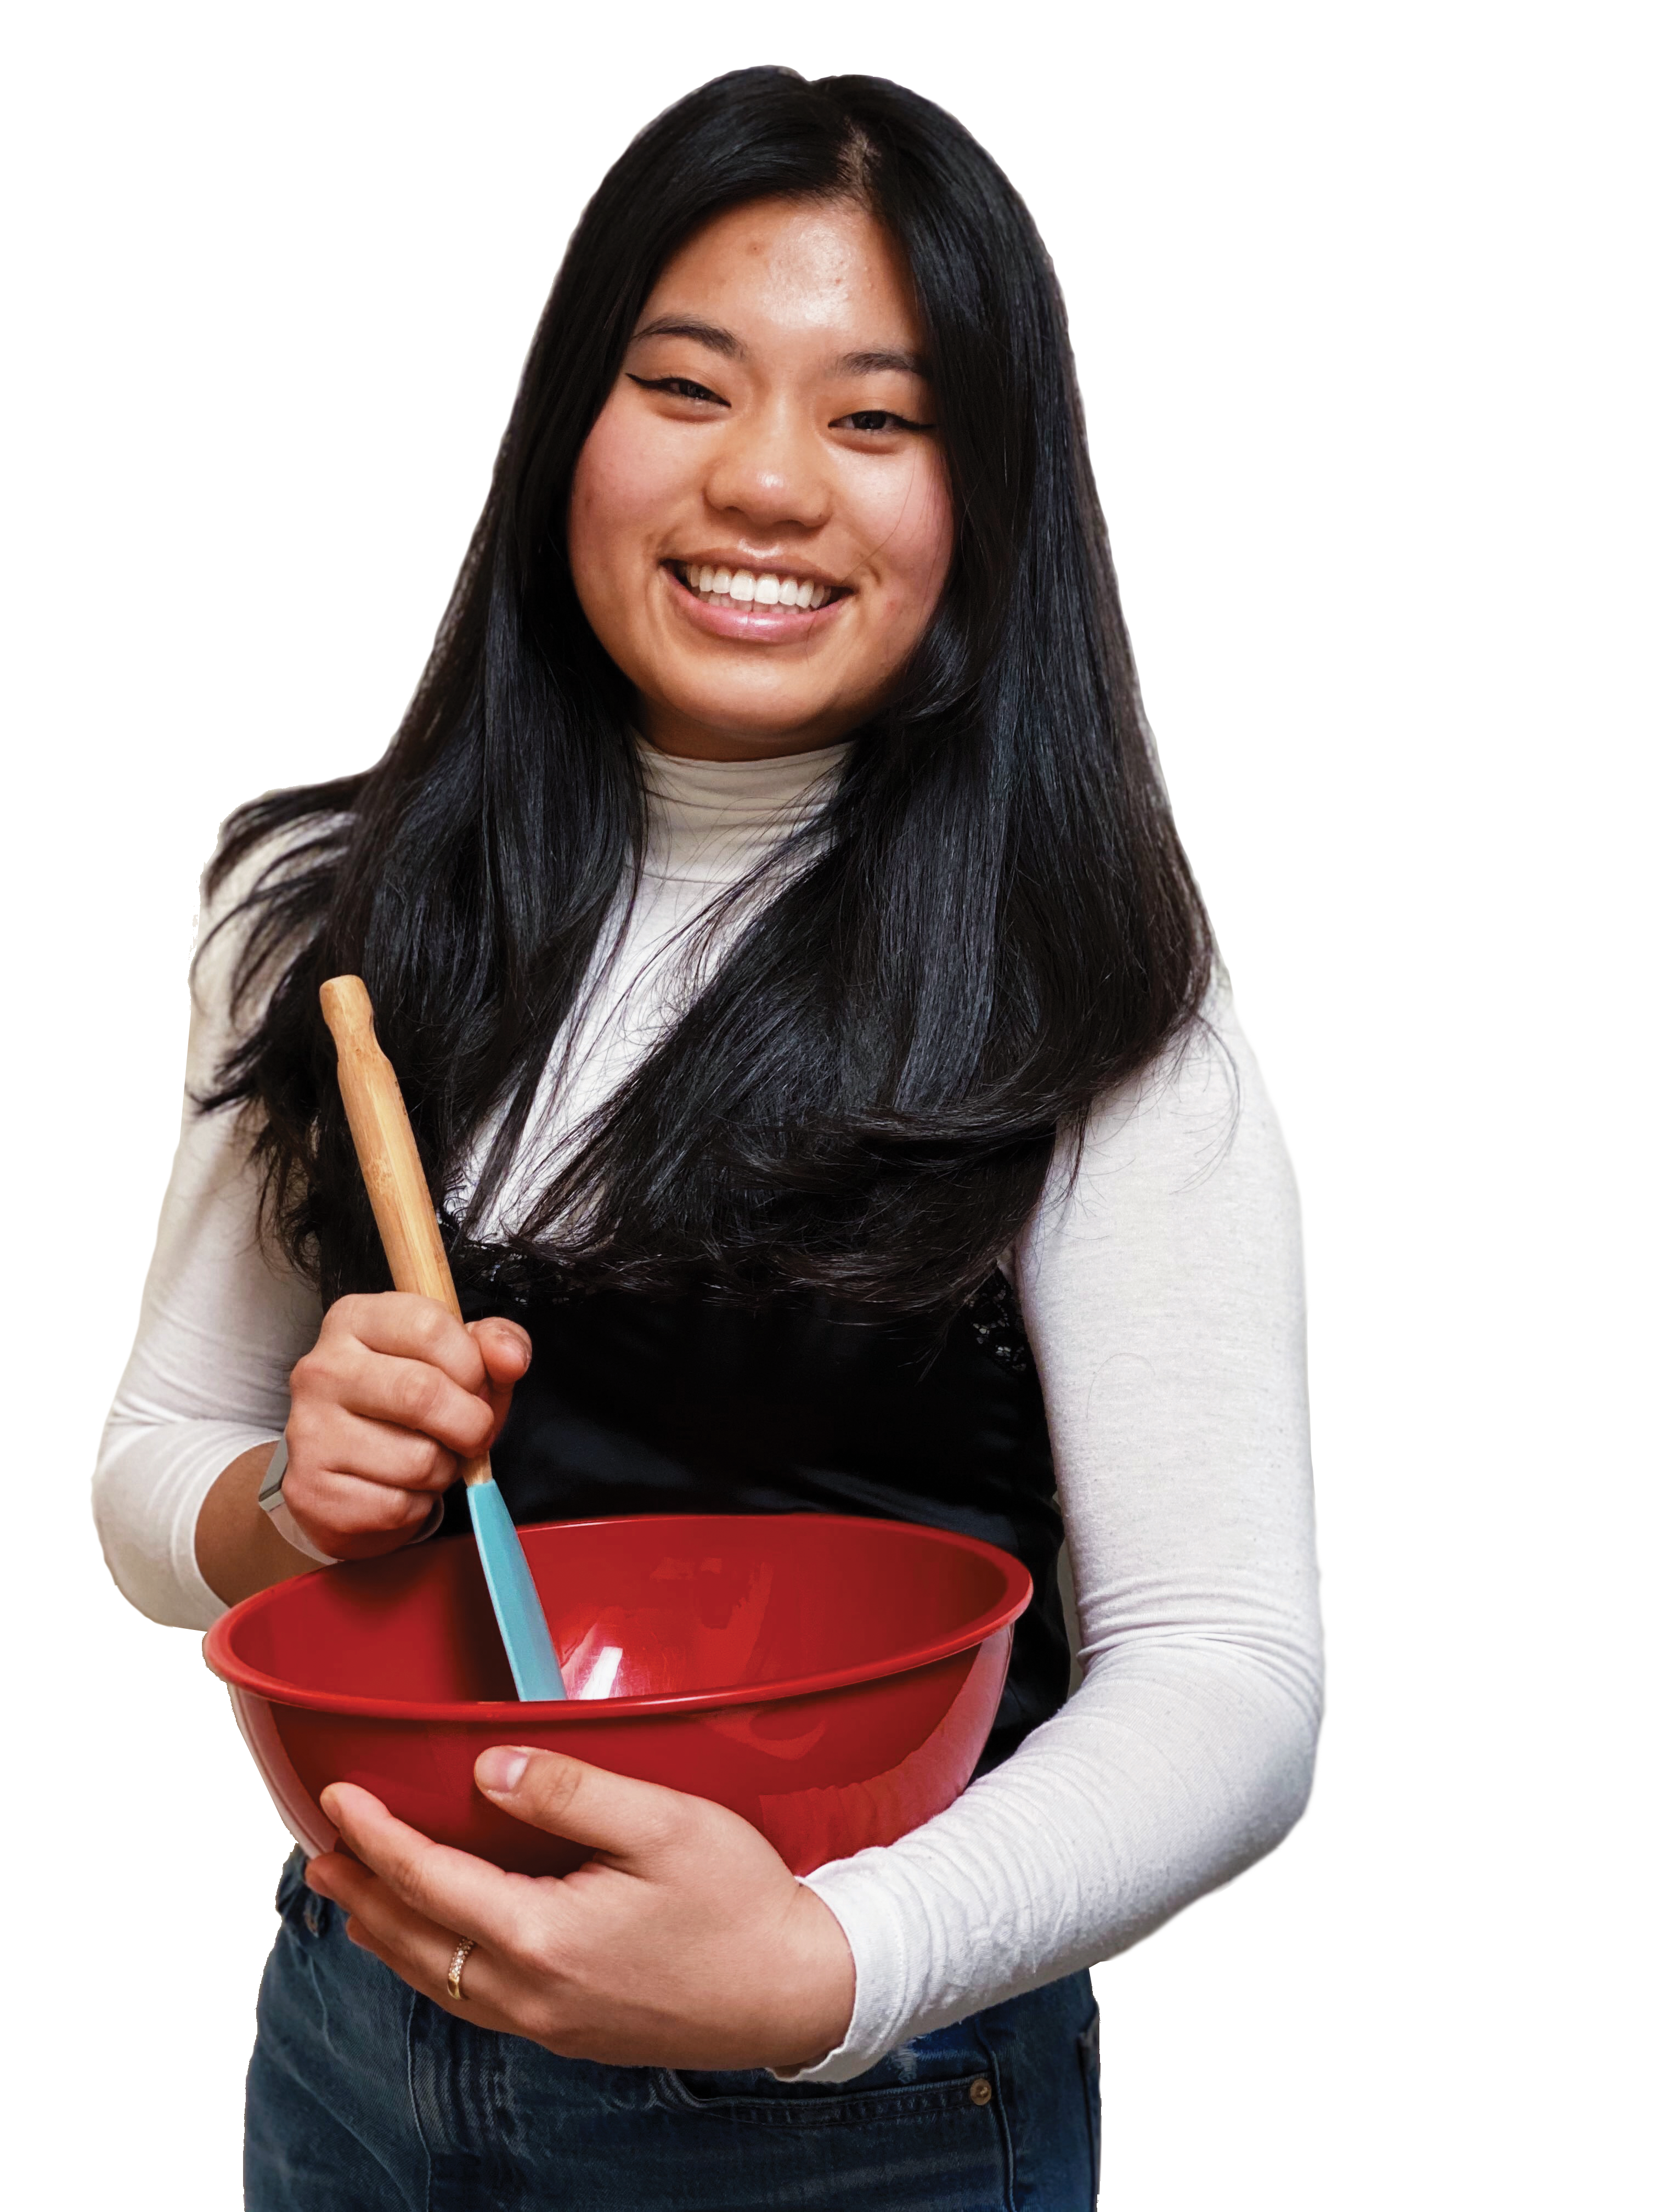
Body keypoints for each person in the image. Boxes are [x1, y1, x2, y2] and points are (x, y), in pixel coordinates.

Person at [93, 66, 1326, 2212]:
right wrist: (295, 1495)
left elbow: (1228, 1675)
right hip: (356, 2036)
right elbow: (144, 1494)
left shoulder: (1101, 1005)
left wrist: (831, 1964)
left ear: (993, 498)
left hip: (868, 2104)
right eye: (686, 386)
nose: (768, 482)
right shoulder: (319, 922)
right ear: (570, 420)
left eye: (878, 419)